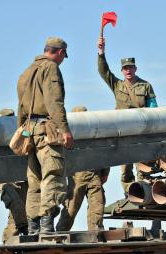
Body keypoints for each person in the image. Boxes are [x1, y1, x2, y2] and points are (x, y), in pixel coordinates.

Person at [17, 37, 74, 234]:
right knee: (53, 176)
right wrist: (64, 129)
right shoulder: (50, 68)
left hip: (29, 131)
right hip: (46, 130)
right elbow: (54, 102)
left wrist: (23, 134)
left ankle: (33, 227)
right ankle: (47, 227)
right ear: (59, 52)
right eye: (63, 56)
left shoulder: (27, 71)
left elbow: (21, 108)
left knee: (34, 181)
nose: (62, 60)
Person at [97, 36, 158, 194]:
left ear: (135, 68)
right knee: (125, 165)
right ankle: (130, 192)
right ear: (122, 71)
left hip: (141, 129)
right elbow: (103, 72)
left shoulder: (145, 86)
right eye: (125, 68)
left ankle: (144, 189)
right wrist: (101, 52)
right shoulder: (117, 85)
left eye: (130, 67)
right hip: (123, 130)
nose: (128, 70)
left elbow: (153, 106)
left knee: (143, 161)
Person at [56, 106, 110, 231]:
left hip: (94, 176)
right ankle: (59, 234)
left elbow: (104, 153)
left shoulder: (94, 132)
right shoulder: (67, 134)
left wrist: (105, 172)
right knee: (70, 210)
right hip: (76, 178)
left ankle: (95, 234)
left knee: (97, 207)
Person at [0, 109, 28, 243]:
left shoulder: (21, 130)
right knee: (15, 204)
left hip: (22, 178)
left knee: (17, 215)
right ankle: (22, 232)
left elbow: (29, 134)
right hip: (3, 178)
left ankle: (8, 243)